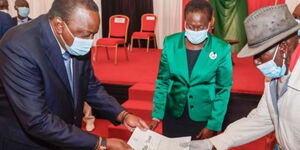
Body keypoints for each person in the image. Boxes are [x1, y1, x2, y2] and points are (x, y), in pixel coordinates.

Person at [0, 0, 149, 150]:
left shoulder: (77, 36)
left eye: (93, 34)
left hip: (66, 135)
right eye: (86, 35)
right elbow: (37, 120)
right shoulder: (19, 46)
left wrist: (122, 115)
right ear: (59, 25)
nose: (90, 42)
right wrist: (100, 143)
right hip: (30, 143)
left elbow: (90, 86)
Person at [190, 4, 300, 150]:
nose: (256, 61)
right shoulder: (276, 72)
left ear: (283, 47)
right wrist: (214, 143)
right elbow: (263, 119)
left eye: (260, 54)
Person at [149, 0, 232, 140]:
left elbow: (223, 89)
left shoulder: (221, 48)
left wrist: (213, 125)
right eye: (190, 26)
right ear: (185, 21)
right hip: (174, 114)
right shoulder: (170, 43)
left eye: (201, 27)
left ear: (211, 22)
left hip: (204, 117)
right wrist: (157, 115)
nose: (195, 31)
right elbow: (162, 81)